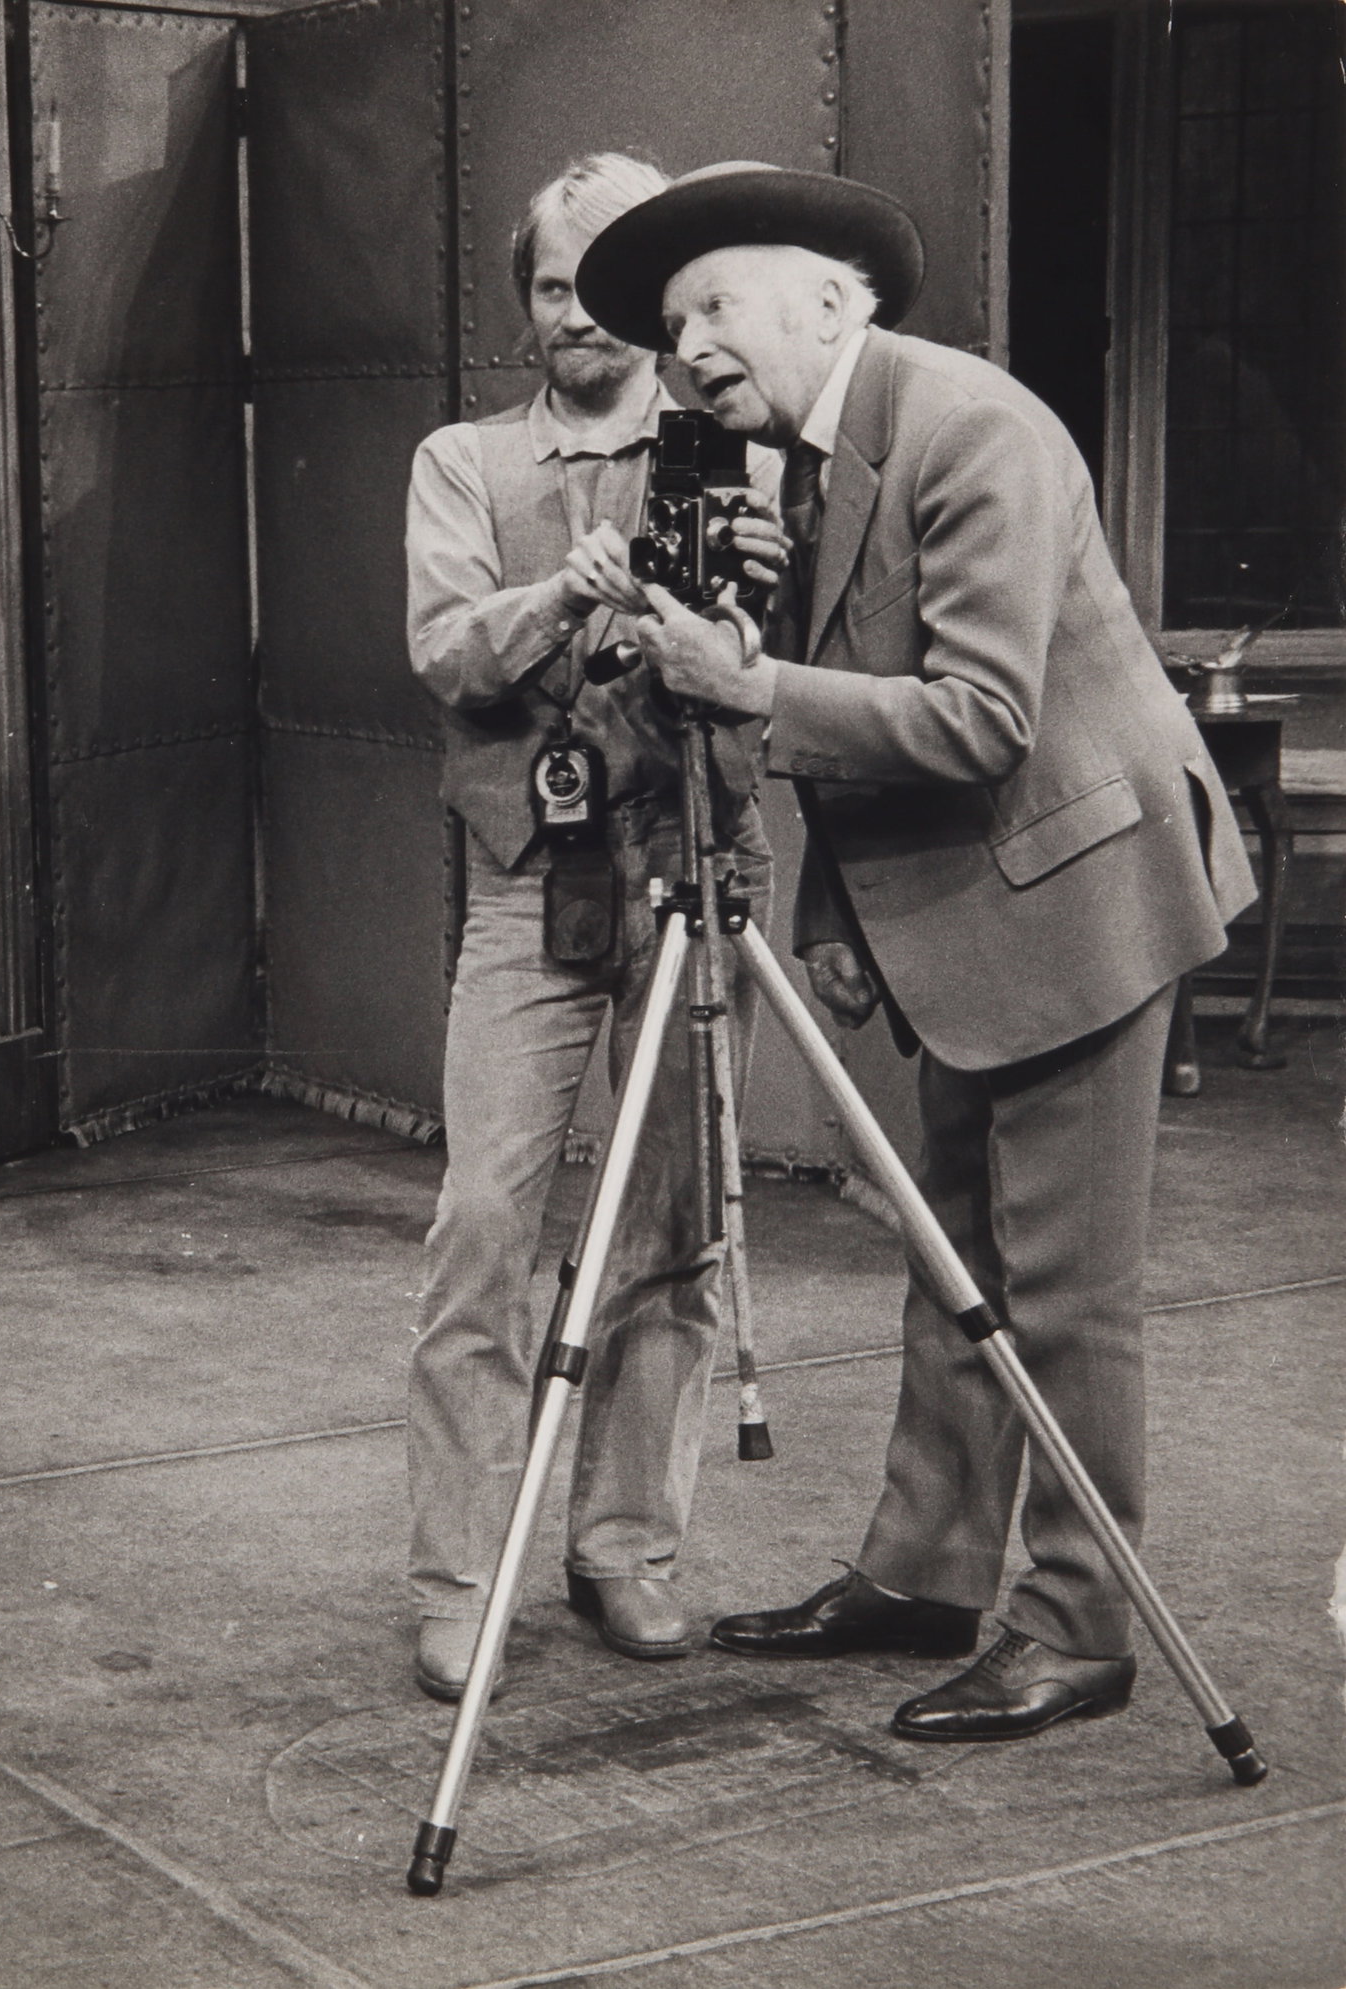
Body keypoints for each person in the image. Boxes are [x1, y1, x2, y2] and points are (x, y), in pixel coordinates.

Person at [574, 164, 1255, 1743]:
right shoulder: (805, 461)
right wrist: (831, 910)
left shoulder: (970, 429)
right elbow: (842, 698)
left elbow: (980, 718)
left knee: (1064, 1291)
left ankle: (1079, 1625)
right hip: (974, 912)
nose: (689, 348)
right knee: (955, 1257)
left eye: (716, 305)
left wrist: (745, 687)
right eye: (672, 325)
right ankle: (928, 1572)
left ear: (832, 301)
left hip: (1082, 898)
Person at [403, 154, 785, 1701]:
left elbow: (772, 672)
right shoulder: (464, 461)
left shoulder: (728, 452)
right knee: (483, 1228)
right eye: (552, 286)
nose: (577, 314)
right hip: (530, 880)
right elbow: (446, 654)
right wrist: (562, 596)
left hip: (692, 859)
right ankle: (459, 1577)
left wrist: (745, 595)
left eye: (603, 286)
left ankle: (625, 1545)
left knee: (672, 1226)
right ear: (525, 303)